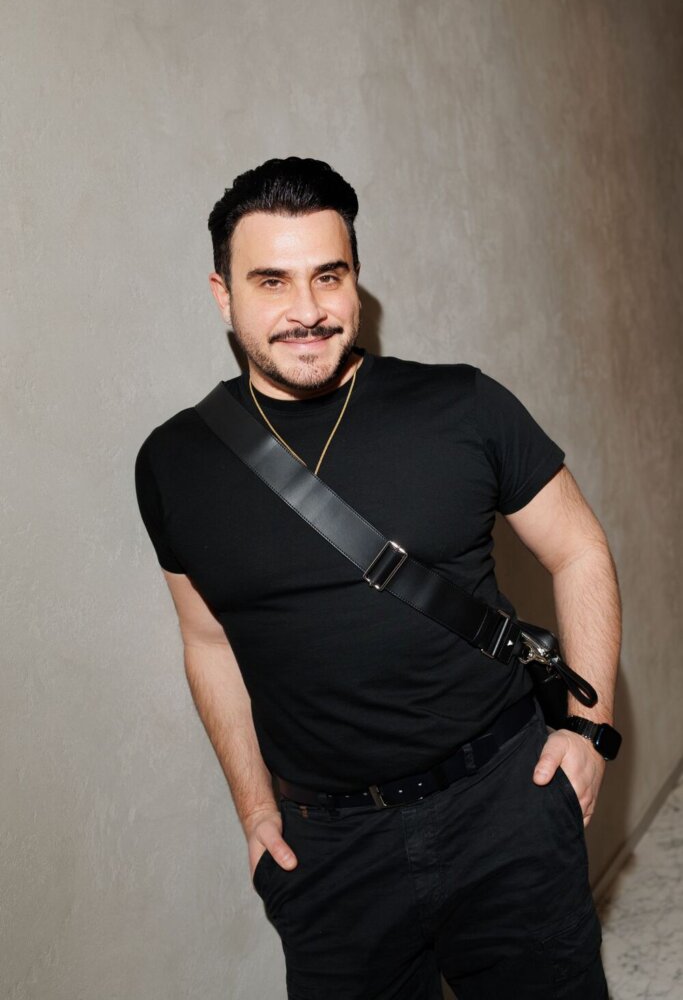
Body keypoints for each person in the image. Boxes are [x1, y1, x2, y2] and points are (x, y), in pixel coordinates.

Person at [135, 157, 621, 999]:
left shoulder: (462, 406)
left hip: (502, 805)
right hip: (330, 847)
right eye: (271, 282)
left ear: (355, 281)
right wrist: (255, 811)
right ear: (223, 295)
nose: (307, 310)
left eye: (328, 276)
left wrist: (590, 729)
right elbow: (207, 641)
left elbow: (578, 548)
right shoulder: (174, 463)